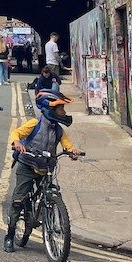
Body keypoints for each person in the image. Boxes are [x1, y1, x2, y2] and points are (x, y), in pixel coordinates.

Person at [4, 91, 83, 252]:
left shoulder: (59, 130)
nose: (64, 113)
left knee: (53, 193)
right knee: (18, 200)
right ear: (50, 109)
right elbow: (16, 133)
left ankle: (49, 215)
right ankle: (10, 236)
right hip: (27, 164)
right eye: (61, 109)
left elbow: (68, 146)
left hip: (46, 167)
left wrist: (72, 152)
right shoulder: (35, 123)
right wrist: (17, 142)